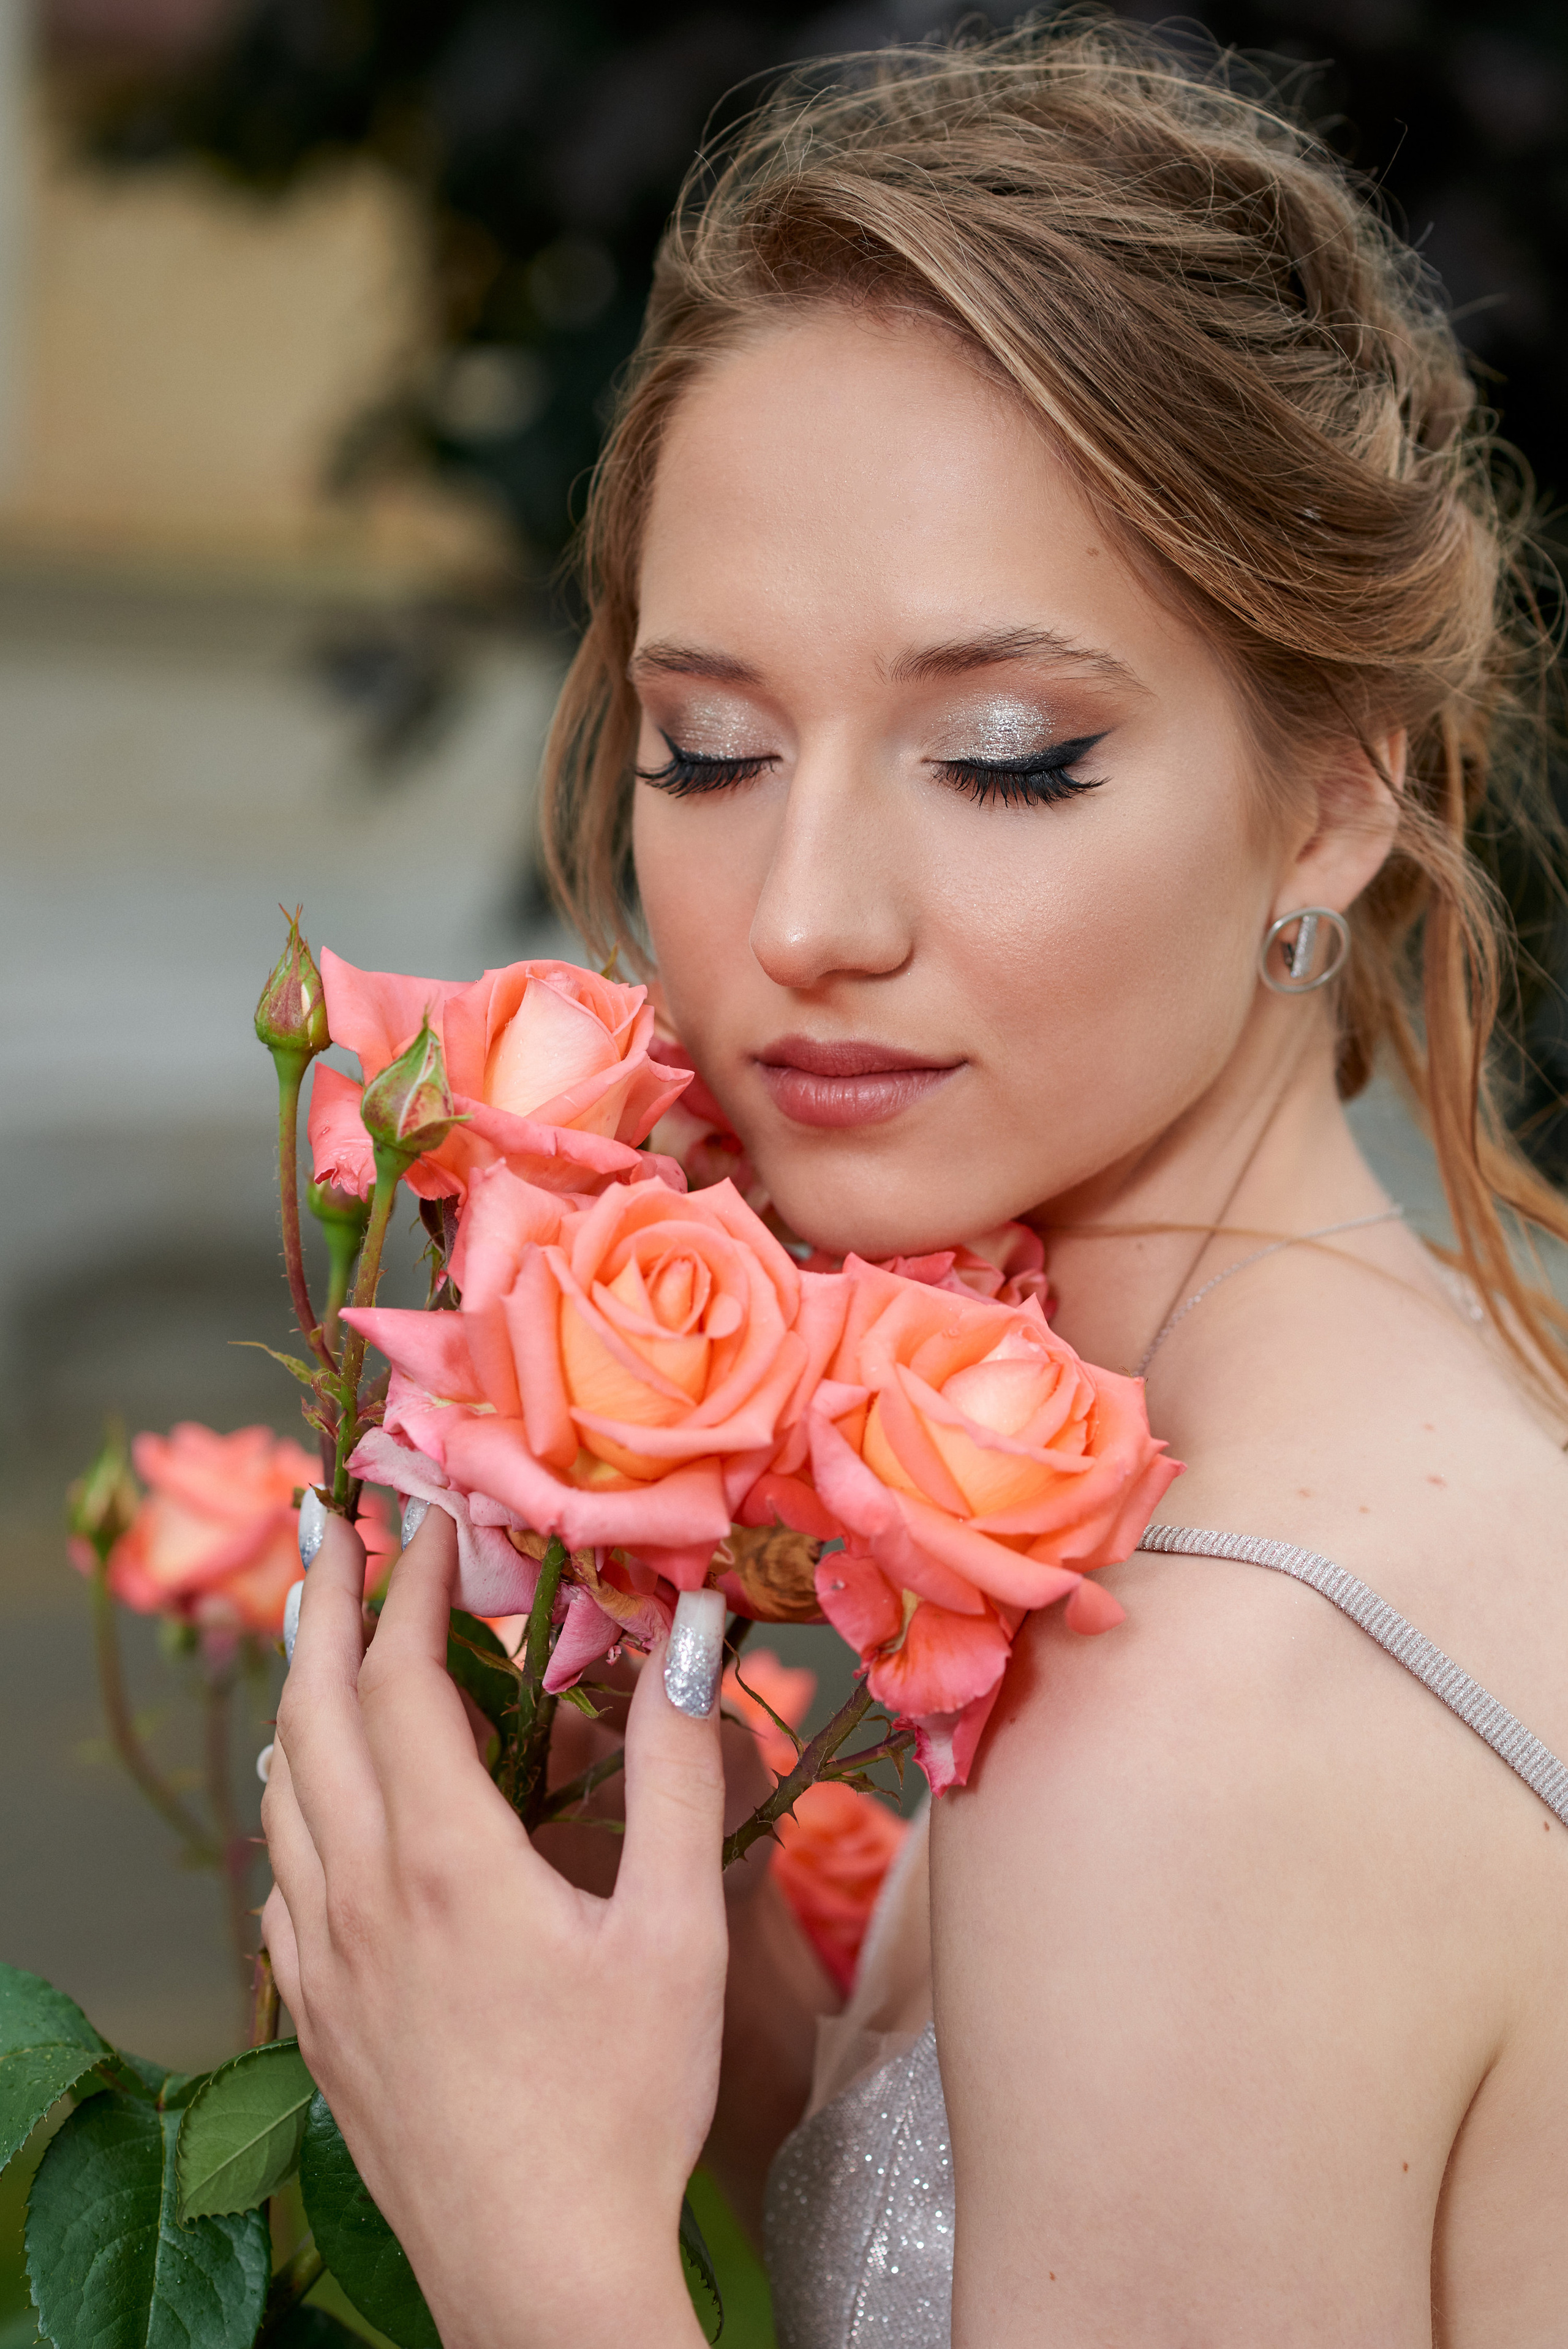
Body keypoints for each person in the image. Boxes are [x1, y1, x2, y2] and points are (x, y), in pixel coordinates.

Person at [259, 20, 1568, 2345]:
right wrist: (705, 1993)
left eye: (1006, 757)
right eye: (713, 748)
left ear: (1343, 794)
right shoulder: (1420, 1440)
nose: (803, 914)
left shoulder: (1197, 1718)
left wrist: (535, 2238)